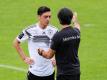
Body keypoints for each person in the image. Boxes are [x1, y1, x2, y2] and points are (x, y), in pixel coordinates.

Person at [13, 6, 58, 80]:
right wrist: (24, 58)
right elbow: (16, 42)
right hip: (34, 72)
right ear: (39, 17)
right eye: (45, 17)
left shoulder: (54, 30)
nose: (48, 19)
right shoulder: (30, 30)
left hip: (49, 72)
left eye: (49, 17)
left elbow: (59, 46)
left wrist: (55, 58)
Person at [38, 8, 81, 80]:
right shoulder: (76, 32)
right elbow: (77, 26)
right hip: (76, 71)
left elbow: (49, 55)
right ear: (70, 19)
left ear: (59, 20)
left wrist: (41, 52)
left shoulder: (58, 36)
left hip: (64, 74)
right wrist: (74, 20)